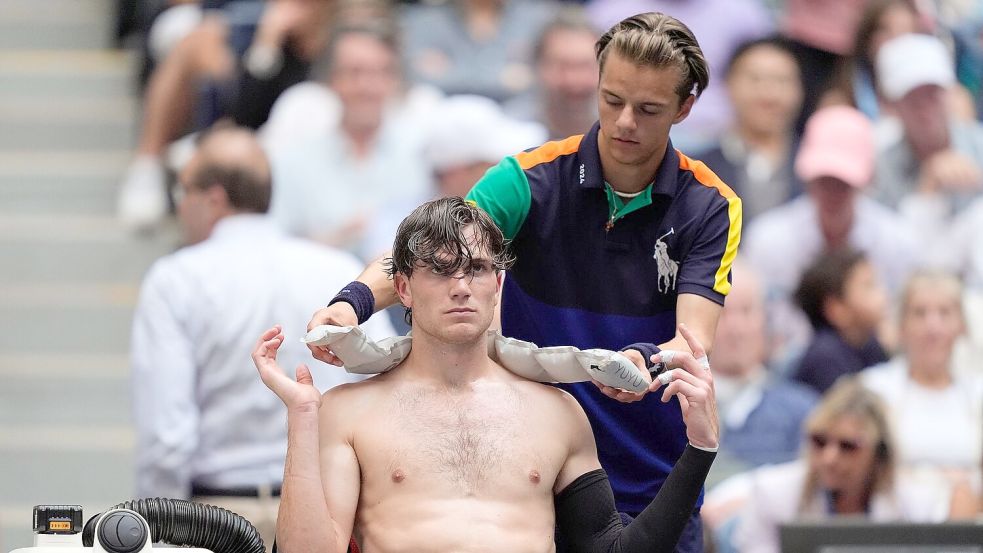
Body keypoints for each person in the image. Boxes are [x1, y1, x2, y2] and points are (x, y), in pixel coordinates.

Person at [306, 12, 742, 552]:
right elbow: (435, 249)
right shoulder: (527, 180)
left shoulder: (710, 204)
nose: (625, 121)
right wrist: (352, 303)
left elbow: (692, 344)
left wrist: (639, 360)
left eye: (648, 109)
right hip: (534, 476)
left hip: (652, 478)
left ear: (685, 107)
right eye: (611, 100)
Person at [255, 197, 721, 553]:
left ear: (498, 284)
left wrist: (699, 449)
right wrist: (302, 418)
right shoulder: (347, 412)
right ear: (402, 288)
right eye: (440, 271)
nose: (461, 288)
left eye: (476, 269)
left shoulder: (557, 412)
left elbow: (611, 550)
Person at [129, 125, 395, 549]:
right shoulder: (335, 268)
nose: (179, 208)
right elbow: (385, 382)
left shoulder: (176, 279)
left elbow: (167, 436)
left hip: (215, 520)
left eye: (183, 193)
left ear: (213, 198)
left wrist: (155, 531)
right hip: (331, 511)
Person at [743, 105, 915, 360]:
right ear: (807, 177)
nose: (833, 192)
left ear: (866, 180)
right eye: (824, 180)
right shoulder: (768, 240)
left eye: (844, 182)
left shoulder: (898, 242)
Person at [732, 378, 956, 553]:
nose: (829, 457)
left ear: (879, 453)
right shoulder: (771, 495)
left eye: (848, 446)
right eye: (820, 441)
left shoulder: (916, 507)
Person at [858, 271, 982, 481]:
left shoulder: (978, 393)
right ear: (901, 325)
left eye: (945, 313)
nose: (933, 328)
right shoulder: (873, 389)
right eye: (920, 313)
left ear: (961, 326)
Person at [697, 36, 804, 222]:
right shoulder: (698, 170)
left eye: (781, 81)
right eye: (755, 79)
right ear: (729, 84)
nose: (768, 93)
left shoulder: (817, 165)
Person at [793, 248, 889, 394]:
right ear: (837, 310)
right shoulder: (825, 359)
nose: (882, 294)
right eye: (869, 286)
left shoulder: (870, 344)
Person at [503, 7, 601, 141]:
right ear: (537, 66)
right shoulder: (508, 129)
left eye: (585, 66)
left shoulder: (618, 130)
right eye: (562, 66)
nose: (573, 80)